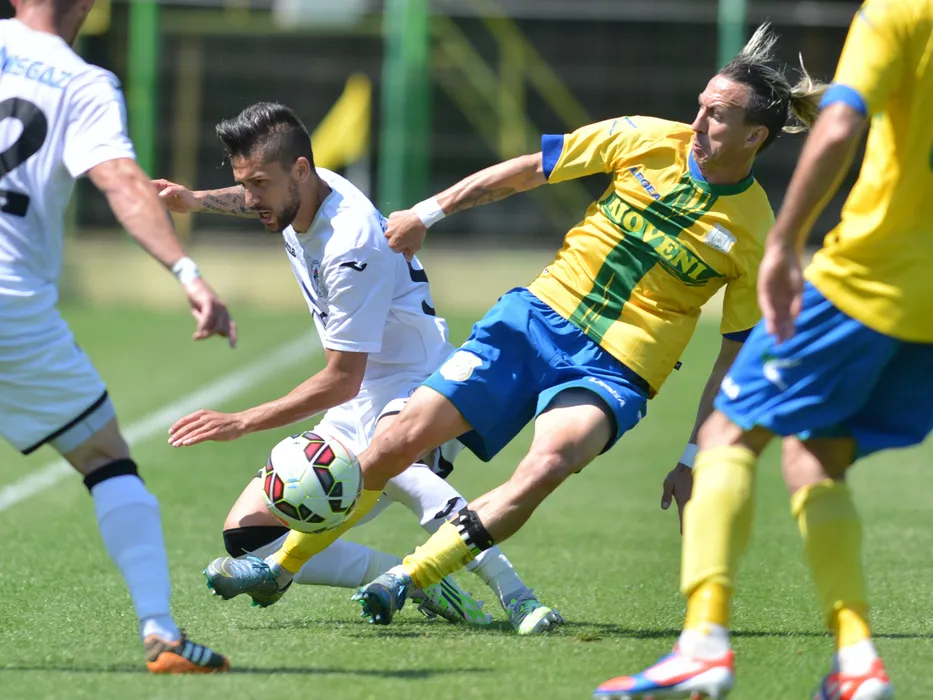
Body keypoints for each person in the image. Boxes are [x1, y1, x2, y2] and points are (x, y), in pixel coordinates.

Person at [206, 25, 826, 627]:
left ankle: (410, 578)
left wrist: (694, 457)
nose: (697, 123)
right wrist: (429, 212)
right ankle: (281, 567)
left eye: (717, 115)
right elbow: (529, 170)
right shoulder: (642, 138)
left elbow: (735, 357)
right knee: (393, 445)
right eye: (701, 105)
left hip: (619, 366)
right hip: (533, 320)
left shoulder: (756, 233)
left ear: (755, 135)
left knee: (548, 464)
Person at [597, 1, 933, 698]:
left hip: (868, 281)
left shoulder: (902, 14)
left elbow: (839, 122)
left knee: (725, 434)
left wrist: (783, 243)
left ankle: (702, 643)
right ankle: (856, 661)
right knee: (816, 455)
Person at [154, 102, 562, 634]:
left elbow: (340, 379)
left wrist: (241, 422)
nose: (251, 198)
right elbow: (261, 195)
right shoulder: (301, 190)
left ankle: (518, 596)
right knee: (247, 536)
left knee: (399, 463)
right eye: (244, 183)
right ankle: (403, 577)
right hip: (361, 395)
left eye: (259, 184)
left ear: (301, 170)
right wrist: (196, 200)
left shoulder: (350, 246)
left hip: (416, 382)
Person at [0, 0, 236, 674]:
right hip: (11, 305)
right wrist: (188, 272)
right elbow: (124, 183)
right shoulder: (83, 82)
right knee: (104, 456)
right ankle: (161, 633)